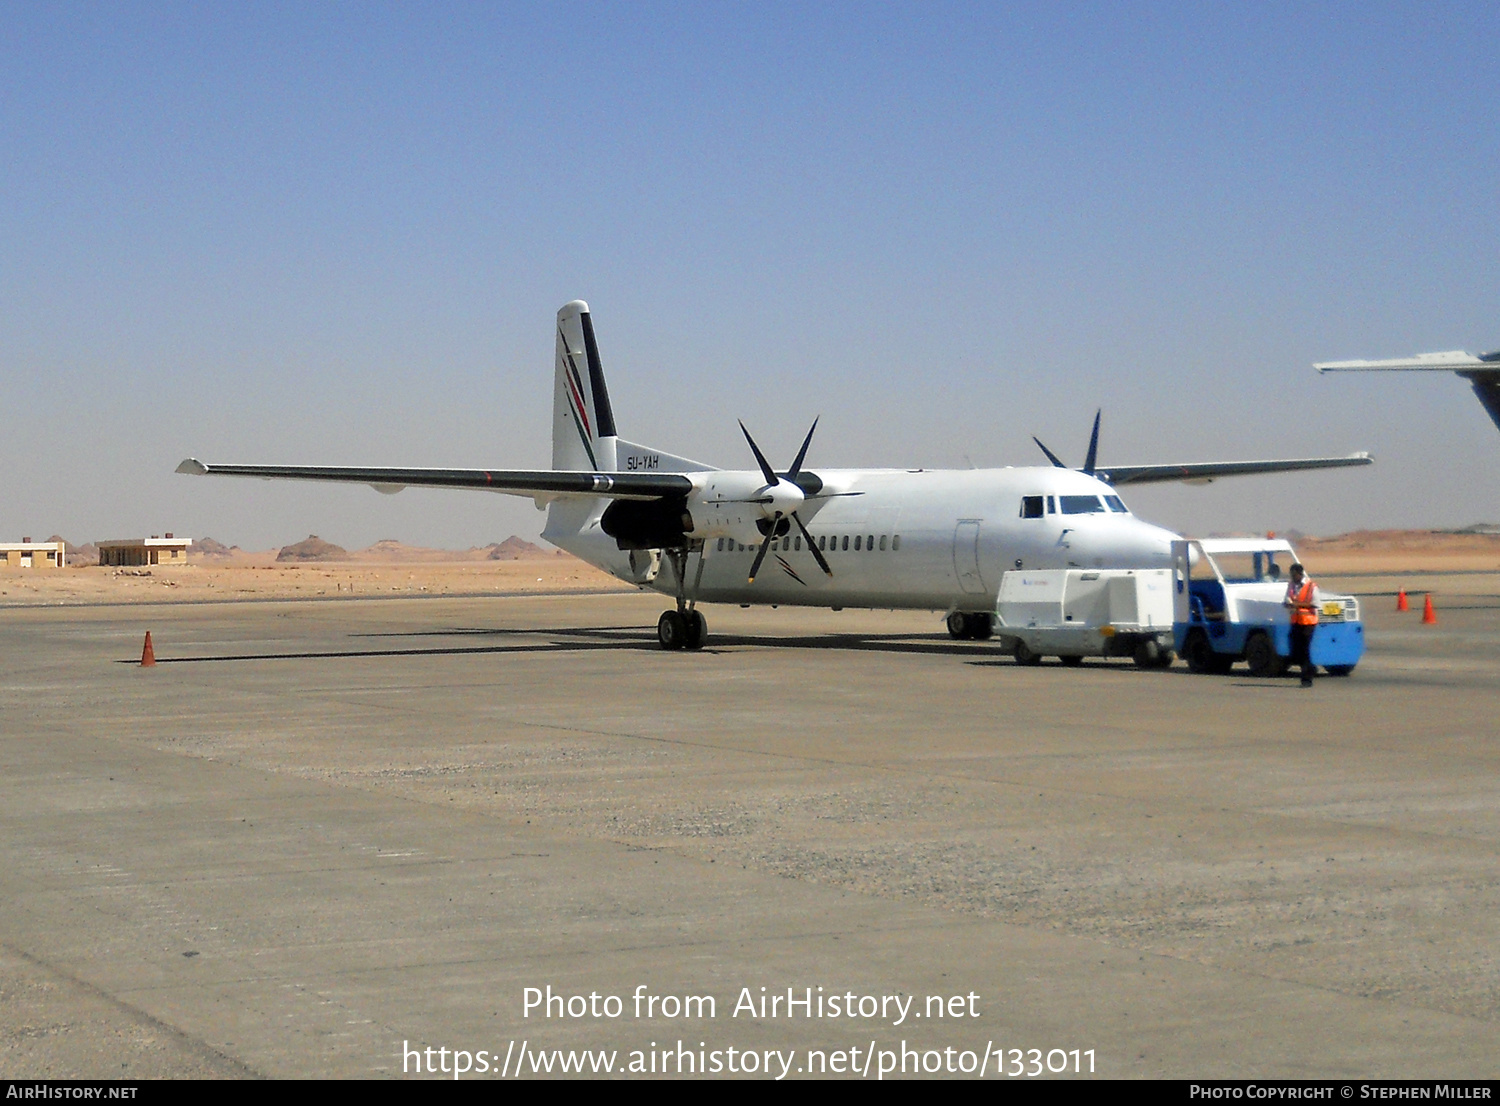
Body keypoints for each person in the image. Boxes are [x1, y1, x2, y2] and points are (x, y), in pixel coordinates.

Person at [1283, 562, 1319, 687]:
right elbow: (1287, 598)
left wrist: (1298, 605)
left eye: (1294, 575)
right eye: (1291, 575)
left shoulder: (1311, 586)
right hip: (1295, 622)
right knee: (1295, 651)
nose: (1292, 577)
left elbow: (1315, 604)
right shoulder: (1291, 585)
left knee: (1305, 650)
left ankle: (1306, 679)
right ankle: (1311, 668)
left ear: (1300, 574)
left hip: (1308, 623)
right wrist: (1287, 604)